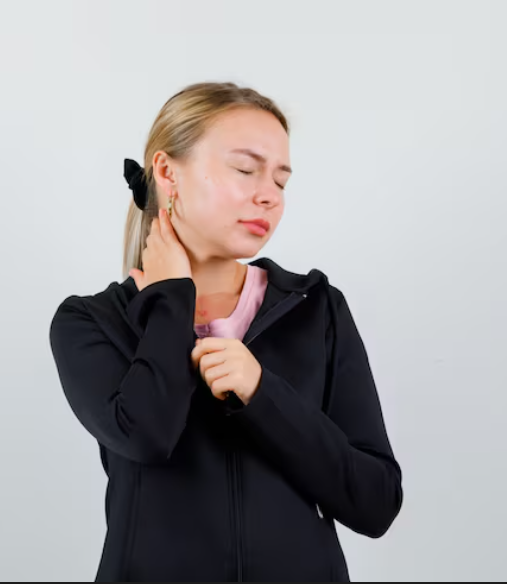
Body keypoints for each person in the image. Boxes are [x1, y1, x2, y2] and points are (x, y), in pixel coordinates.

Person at [48, 81, 402, 582]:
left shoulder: (316, 308)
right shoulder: (92, 322)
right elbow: (146, 436)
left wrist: (262, 392)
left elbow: (375, 502)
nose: (269, 196)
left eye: (281, 181)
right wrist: (170, 301)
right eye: (245, 169)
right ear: (167, 172)